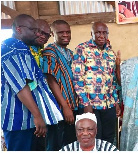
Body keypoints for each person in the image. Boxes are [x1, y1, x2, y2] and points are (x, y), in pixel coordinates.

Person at [1, 14, 63, 151]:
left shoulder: (21, 48)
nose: (37, 34)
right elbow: (21, 86)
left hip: (26, 120)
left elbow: (31, 83)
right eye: (33, 30)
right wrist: (37, 115)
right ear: (19, 29)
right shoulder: (14, 48)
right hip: (20, 120)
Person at [72, 21, 121, 144]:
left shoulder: (110, 52)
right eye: (98, 32)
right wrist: (85, 103)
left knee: (109, 137)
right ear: (92, 34)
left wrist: (116, 102)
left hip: (108, 104)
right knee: (94, 138)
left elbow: (112, 80)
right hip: (91, 105)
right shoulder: (82, 49)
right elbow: (78, 78)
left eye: (104, 33)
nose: (101, 36)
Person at [42, 20, 79, 151]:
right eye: (61, 32)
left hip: (72, 106)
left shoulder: (69, 53)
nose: (65, 35)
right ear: (53, 33)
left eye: (68, 32)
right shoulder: (50, 52)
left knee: (71, 144)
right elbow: (51, 80)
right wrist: (65, 107)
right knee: (58, 145)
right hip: (60, 109)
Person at [30, 19, 51, 151]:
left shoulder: (40, 50)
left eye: (46, 34)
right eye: (39, 32)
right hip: (29, 108)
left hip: (40, 105)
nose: (43, 36)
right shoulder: (24, 51)